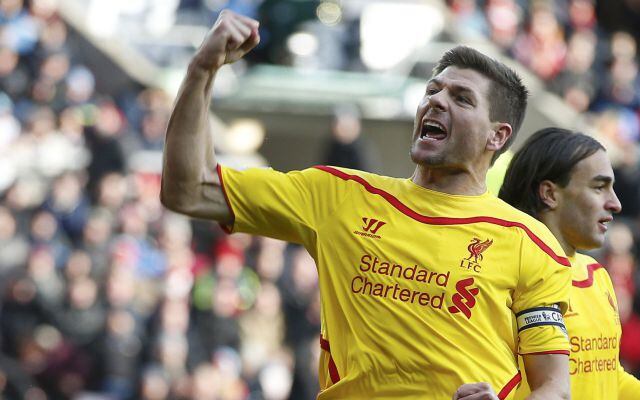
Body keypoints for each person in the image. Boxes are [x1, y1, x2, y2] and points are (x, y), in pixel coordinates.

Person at [161, 10, 572, 399]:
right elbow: (190, 190)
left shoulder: (529, 243)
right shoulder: (336, 196)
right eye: (433, 90)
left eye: (462, 98)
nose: (437, 101)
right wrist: (202, 70)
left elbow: (554, 386)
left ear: (497, 136)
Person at [454, 127, 640, 399]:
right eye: (599, 187)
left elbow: (609, 381)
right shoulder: (501, 278)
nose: (616, 203)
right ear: (550, 194)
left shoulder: (597, 275)